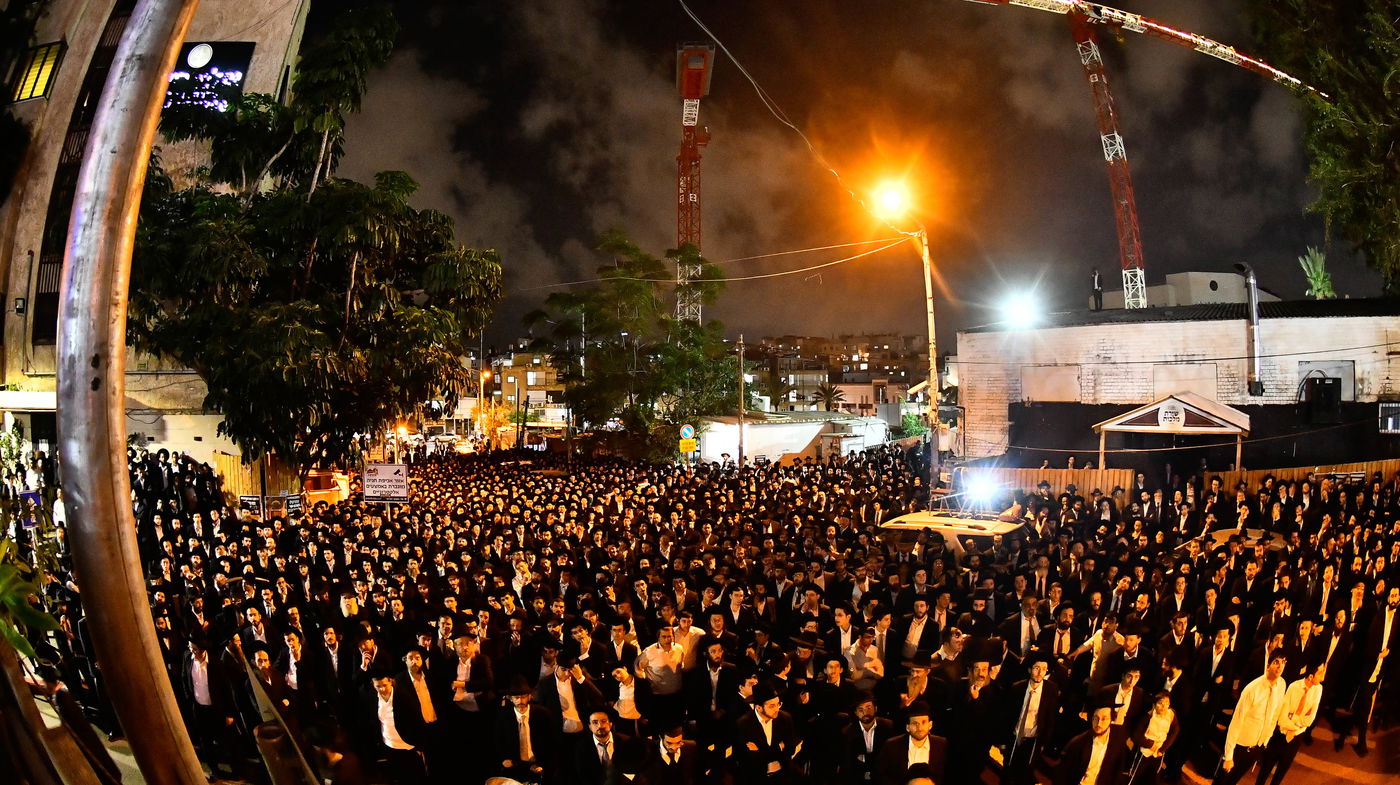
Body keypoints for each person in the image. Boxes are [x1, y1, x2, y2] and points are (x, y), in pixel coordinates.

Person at [1216, 651, 1288, 785]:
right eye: (1276, 662)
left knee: (1234, 780)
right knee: (1222, 781)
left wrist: (1266, 739)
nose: (1280, 666)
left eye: (1283, 663)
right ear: (1268, 665)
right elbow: (1236, 722)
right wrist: (1229, 756)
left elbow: (1275, 714)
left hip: (1257, 746)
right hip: (1239, 746)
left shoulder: (1282, 684)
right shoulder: (1252, 689)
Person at [1252, 664, 1324, 785]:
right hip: (1280, 734)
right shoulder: (1293, 687)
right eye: (1320, 673)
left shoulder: (1318, 689)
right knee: (1265, 770)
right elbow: (1282, 719)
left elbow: (1309, 720)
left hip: (1296, 737)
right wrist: (1298, 722)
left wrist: (1293, 717)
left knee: (1280, 773)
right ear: (1311, 676)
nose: (1322, 677)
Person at [1056, 695, 1129, 785]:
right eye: (1096, 718)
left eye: (1104, 719)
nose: (1099, 723)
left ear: (1111, 720)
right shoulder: (1077, 743)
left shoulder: (1118, 742)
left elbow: (1118, 772)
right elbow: (1061, 774)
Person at [874, 701, 947, 785]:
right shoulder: (892, 745)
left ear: (930, 725)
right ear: (907, 727)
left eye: (923, 722)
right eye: (915, 723)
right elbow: (880, 774)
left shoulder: (942, 745)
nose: (919, 728)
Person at [1128, 692, 1178, 785]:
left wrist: (1163, 749)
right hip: (1144, 752)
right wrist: (1150, 744)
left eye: (1166, 703)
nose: (1164, 706)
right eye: (1160, 703)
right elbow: (1136, 735)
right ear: (1154, 705)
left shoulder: (1171, 715)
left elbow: (1175, 731)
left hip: (1158, 753)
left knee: (1153, 778)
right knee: (1135, 776)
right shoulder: (1148, 716)